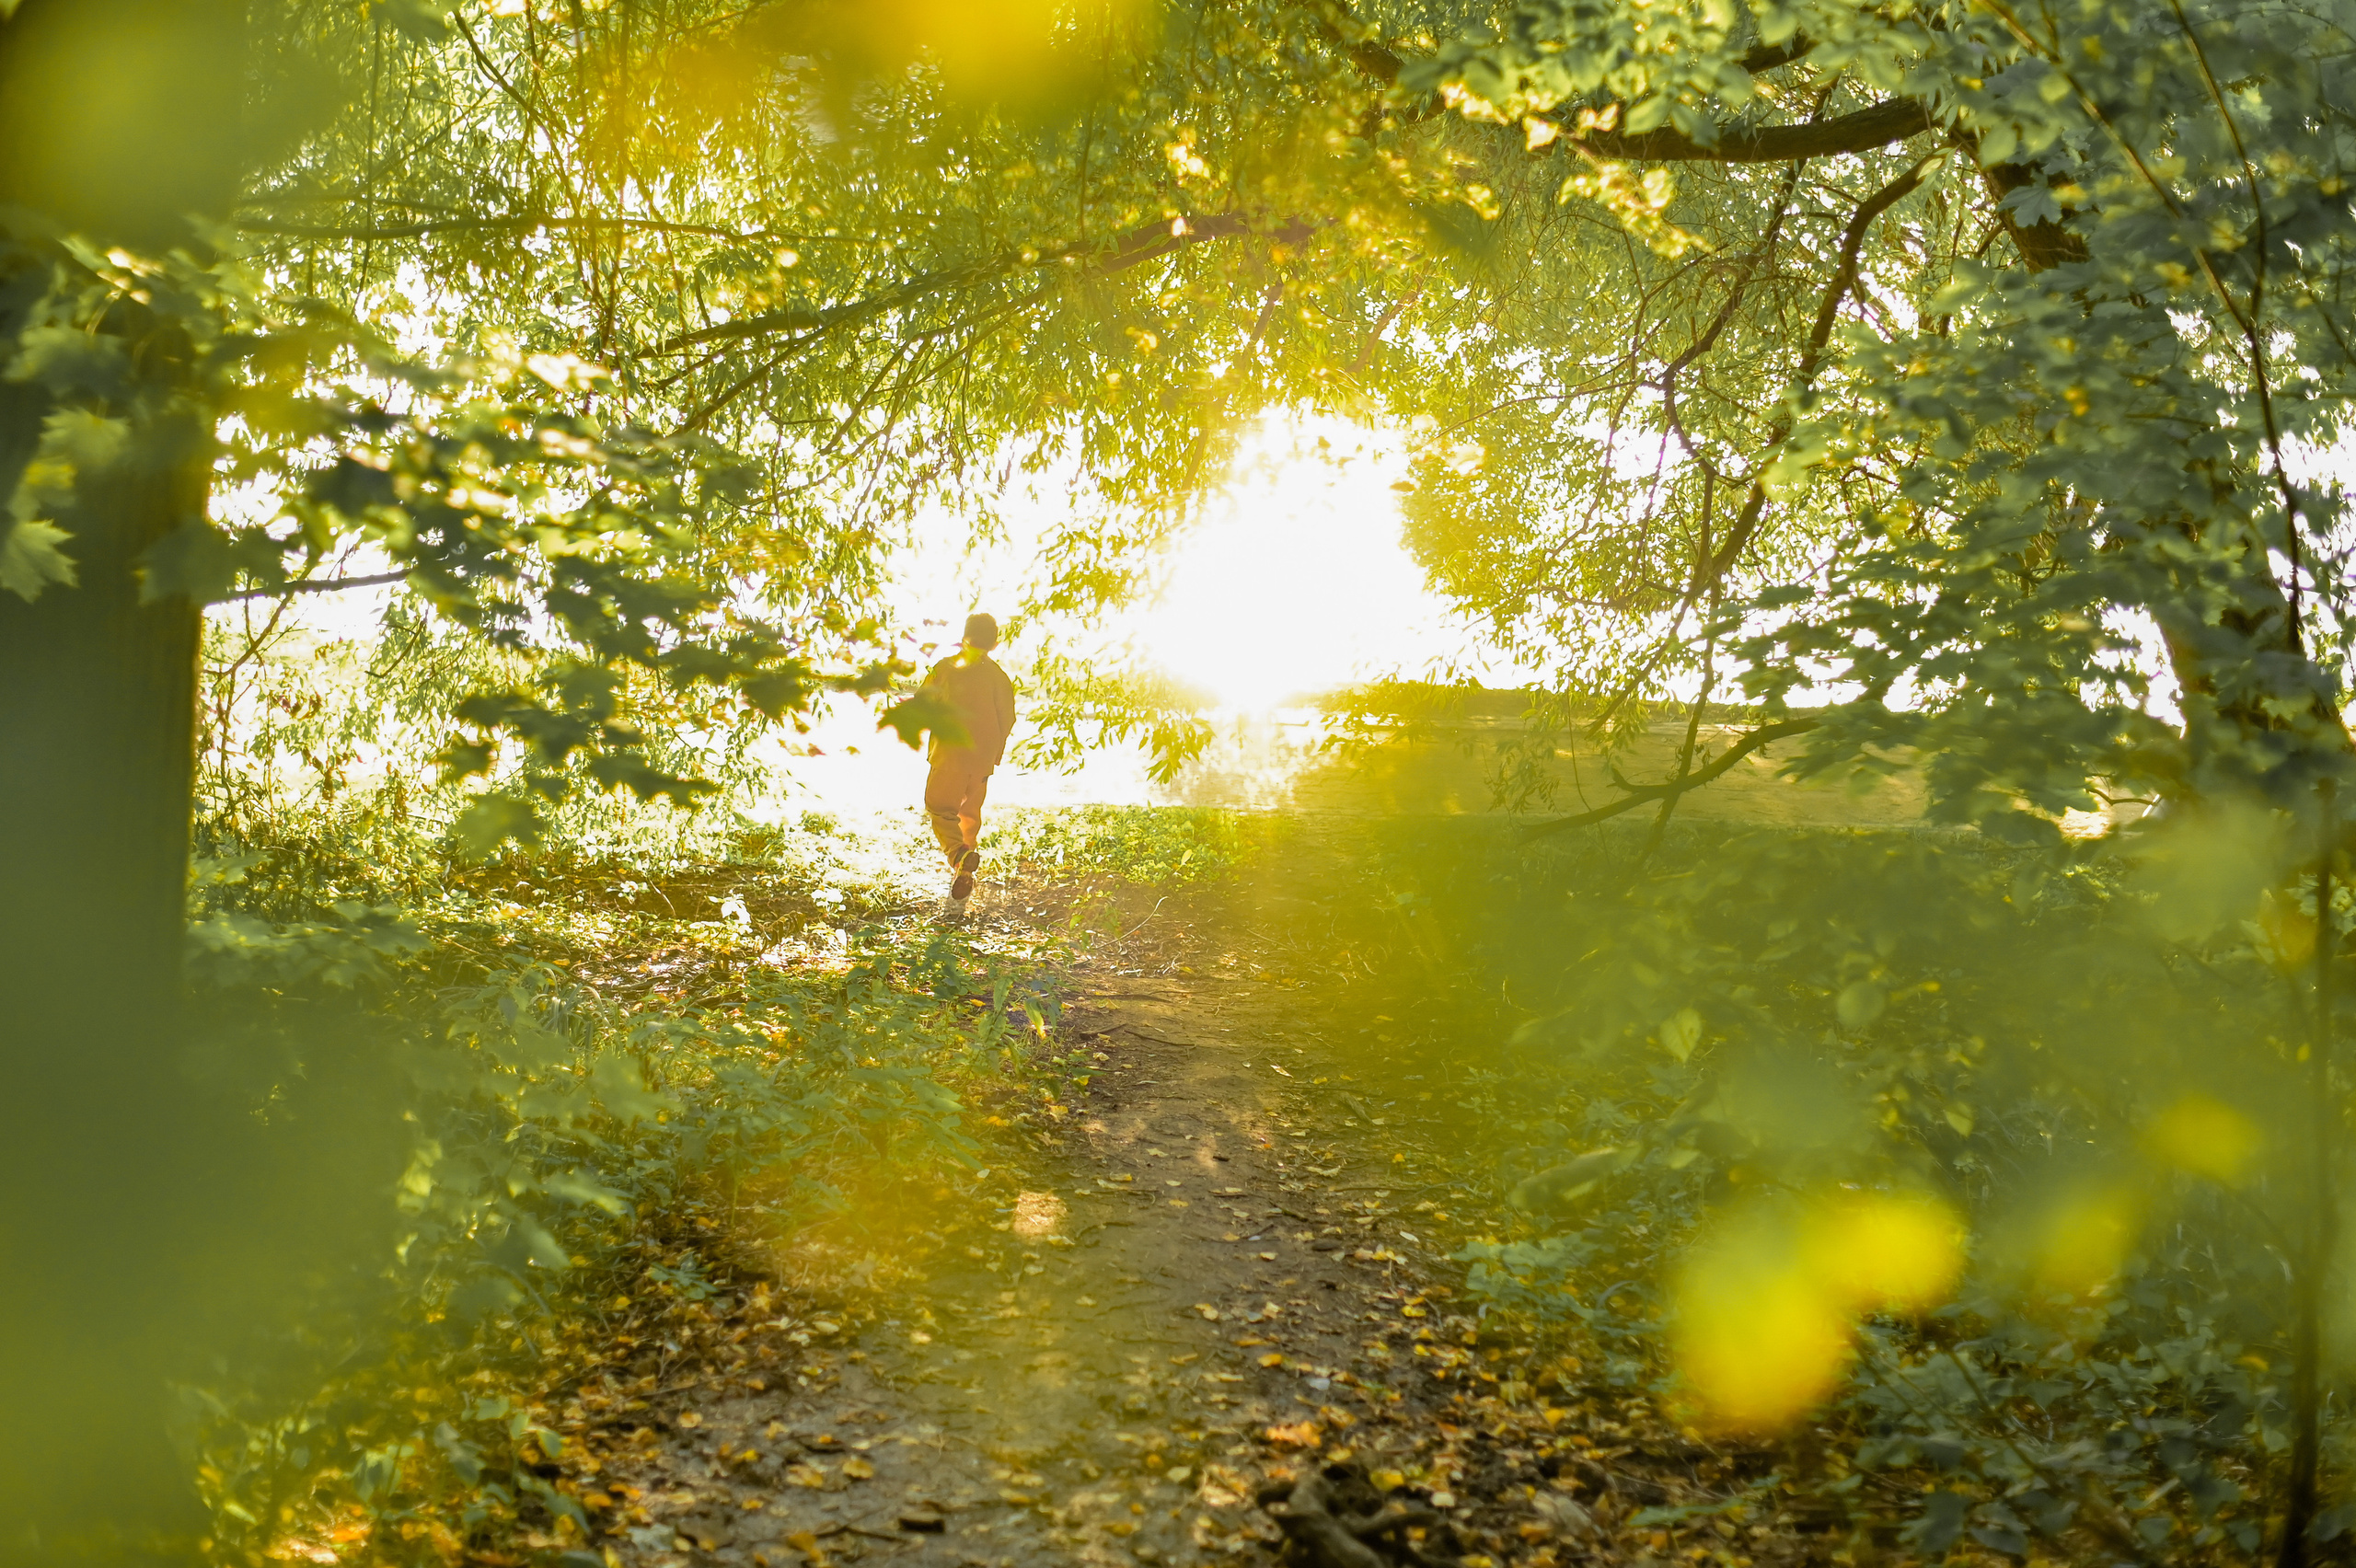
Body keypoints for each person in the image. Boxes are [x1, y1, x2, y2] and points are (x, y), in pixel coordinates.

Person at [920, 612, 1017, 903]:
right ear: (995, 644)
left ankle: (959, 855)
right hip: (983, 760)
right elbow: (1008, 719)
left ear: (963, 639)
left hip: (950, 754)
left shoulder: (946, 669)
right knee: (968, 815)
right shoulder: (999, 678)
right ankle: (964, 873)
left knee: (939, 809)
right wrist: (993, 754)